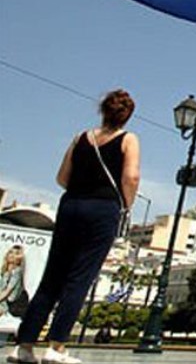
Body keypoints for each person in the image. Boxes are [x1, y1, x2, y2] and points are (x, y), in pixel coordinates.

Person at [7, 89, 140, 364]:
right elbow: (131, 177)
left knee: (52, 277)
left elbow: (62, 178)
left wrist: (82, 188)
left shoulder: (81, 138)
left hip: (70, 206)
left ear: (102, 110)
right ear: (127, 116)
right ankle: (56, 347)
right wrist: (126, 205)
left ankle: (24, 345)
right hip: (102, 209)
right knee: (80, 278)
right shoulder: (129, 139)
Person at [0, 246, 26, 318]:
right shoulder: (5, 271)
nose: (12, 255)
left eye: (16, 253)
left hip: (8, 304)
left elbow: (7, 292)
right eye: (11, 252)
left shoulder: (17, 272)